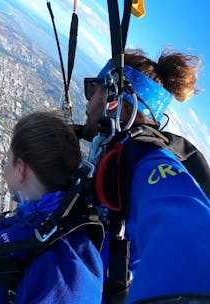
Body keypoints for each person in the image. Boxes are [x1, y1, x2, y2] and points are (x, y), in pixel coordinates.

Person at [82, 49, 210, 302]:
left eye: (91, 90)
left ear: (113, 99)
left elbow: (189, 227)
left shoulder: (150, 162)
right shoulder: (119, 157)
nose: (86, 101)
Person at [0, 111, 103, 303]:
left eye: (7, 160)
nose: (4, 168)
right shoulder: (48, 216)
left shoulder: (67, 274)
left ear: (20, 169)